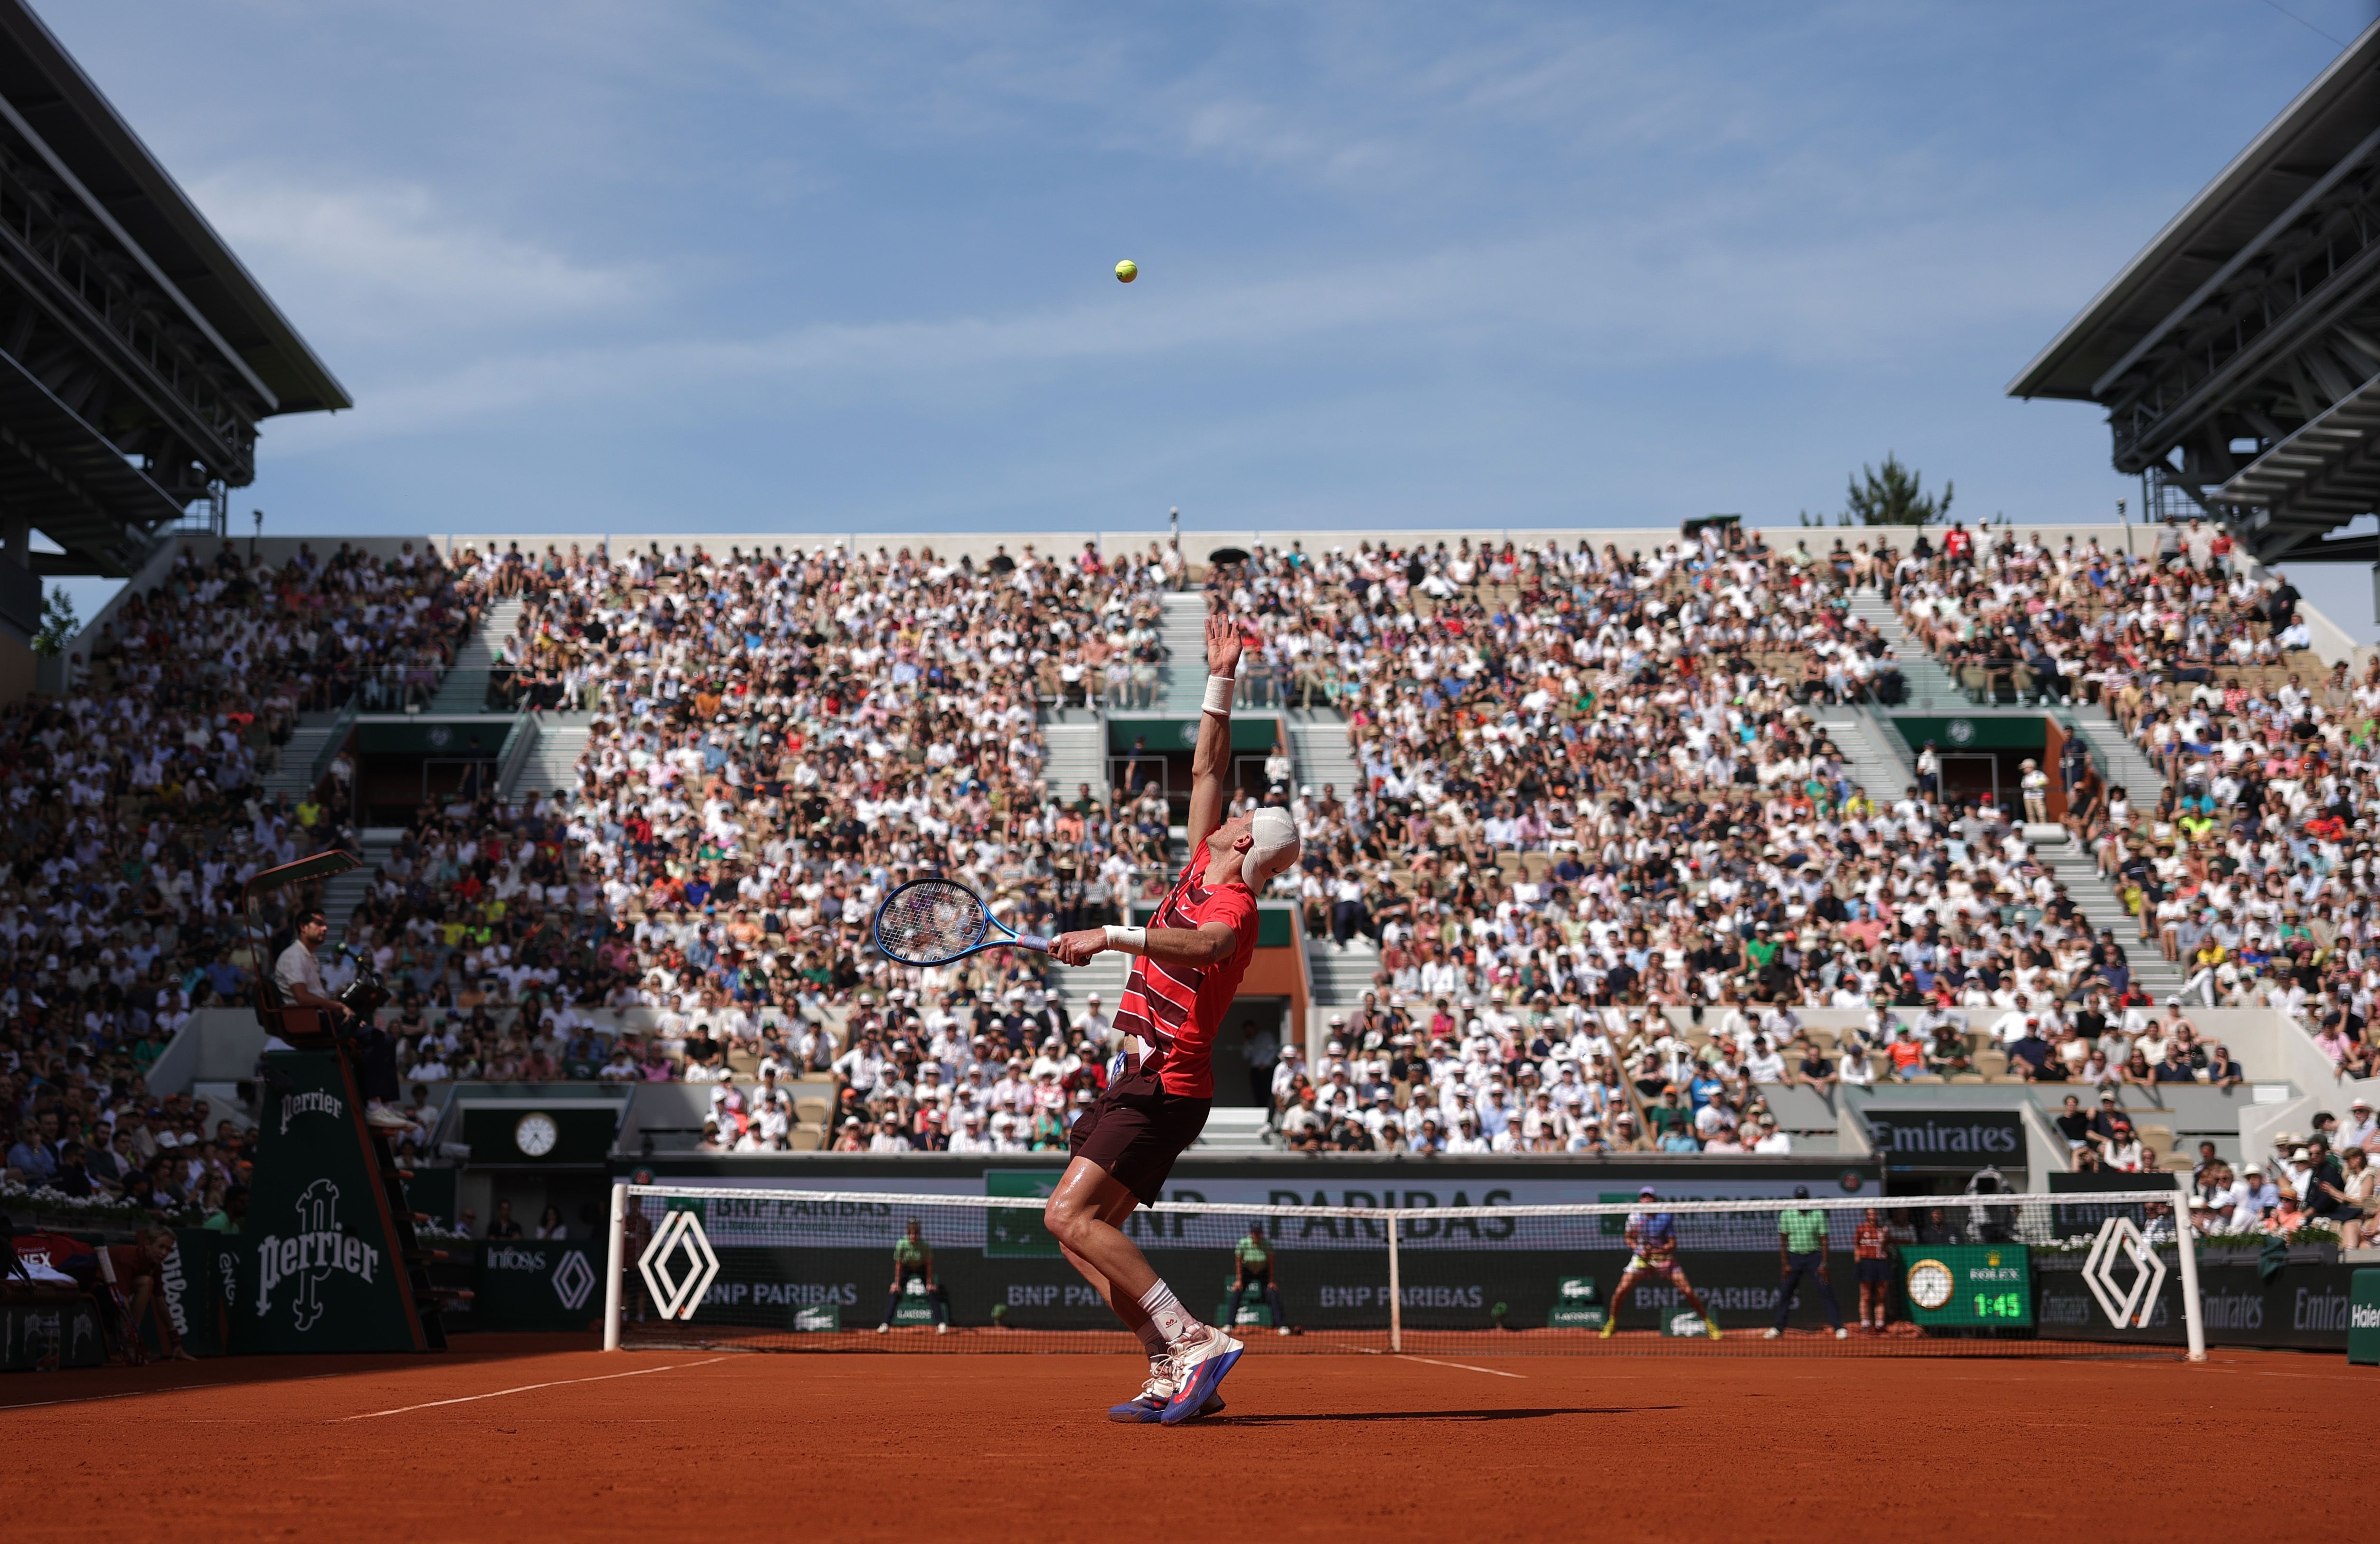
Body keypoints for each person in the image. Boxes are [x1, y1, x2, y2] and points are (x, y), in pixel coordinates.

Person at [1045, 609, 1300, 1425]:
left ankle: (1192, 1336)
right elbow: (1205, 765)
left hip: (1168, 1081)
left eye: (1239, 818)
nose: (1228, 812)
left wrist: (1111, 935)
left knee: (1064, 1214)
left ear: (1243, 844)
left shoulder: (1234, 904)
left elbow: (1207, 944)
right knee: (1079, 1235)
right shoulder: (1203, 863)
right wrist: (1221, 678)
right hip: (1144, 1074)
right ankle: (1169, 1364)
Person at [1599, 1185, 1721, 1340]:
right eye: (1644, 1197)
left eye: (1650, 1197)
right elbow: (1628, 1239)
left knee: (1688, 1292)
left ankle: (1709, 1325)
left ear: (1655, 1200)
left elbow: (1672, 1245)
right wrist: (1640, 1250)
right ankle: (1612, 1324)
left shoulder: (1665, 1217)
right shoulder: (1634, 1217)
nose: (1647, 1200)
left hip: (1664, 1259)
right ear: (1640, 1200)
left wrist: (1658, 1251)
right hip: (1642, 1260)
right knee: (1620, 1291)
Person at [1765, 1185, 1846, 1340]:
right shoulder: (1787, 1214)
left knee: (1825, 1290)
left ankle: (1838, 1327)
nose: (1801, 1202)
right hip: (1794, 1257)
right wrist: (1785, 1264)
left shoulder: (1818, 1214)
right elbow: (1783, 1241)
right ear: (1794, 1199)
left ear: (1808, 1199)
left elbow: (1825, 1241)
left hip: (1815, 1257)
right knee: (1786, 1293)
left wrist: (1824, 1264)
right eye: (1799, 1199)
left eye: (1804, 1199)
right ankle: (1778, 1328)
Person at [877, 1217, 951, 1334]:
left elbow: (929, 1265)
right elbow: (899, 1265)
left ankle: (941, 1324)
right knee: (895, 1292)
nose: (914, 1236)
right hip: (906, 1268)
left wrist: (930, 1283)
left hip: (921, 1267)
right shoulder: (901, 1244)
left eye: (916, 1233)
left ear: (919, 1234)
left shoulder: (924, 1245)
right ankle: (885, 1324)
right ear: (908, 1233)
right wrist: (897, 1283)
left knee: (931, 1292)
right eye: (911, 1233)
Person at [1223, 1222, 1293, 1337]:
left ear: (1262, 1233)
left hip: (1263, 1272)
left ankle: (1282, 1326)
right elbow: (1239, 1263)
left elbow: (1271, 1264)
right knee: (1237, 1292)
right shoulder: (1244, 1243)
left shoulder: (1267, 1245)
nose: (1256, 1235)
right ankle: (1229, 1325)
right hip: (1247, 1271)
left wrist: (1271, 1281)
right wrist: (1239, 1280)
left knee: (1272, 1293)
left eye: (1259, 1232)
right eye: (1254, 1232)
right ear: (1251, 1233)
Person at [1851, 1207, 1892, 1332]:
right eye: (1870, 1214)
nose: (1873, 1216)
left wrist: (1884, 1239)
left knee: (1881, 1295)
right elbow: (1856, 1246)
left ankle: (1880, 1324)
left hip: (1881, 1263)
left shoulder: (1884, 1230)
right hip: (1866, 1263)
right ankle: (1865, 1323)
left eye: (1875, 1214)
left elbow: (1886, 1247)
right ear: (1866, 1215)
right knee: (1866, 1295)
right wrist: (1859, 1262)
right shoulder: (1861, 1229)